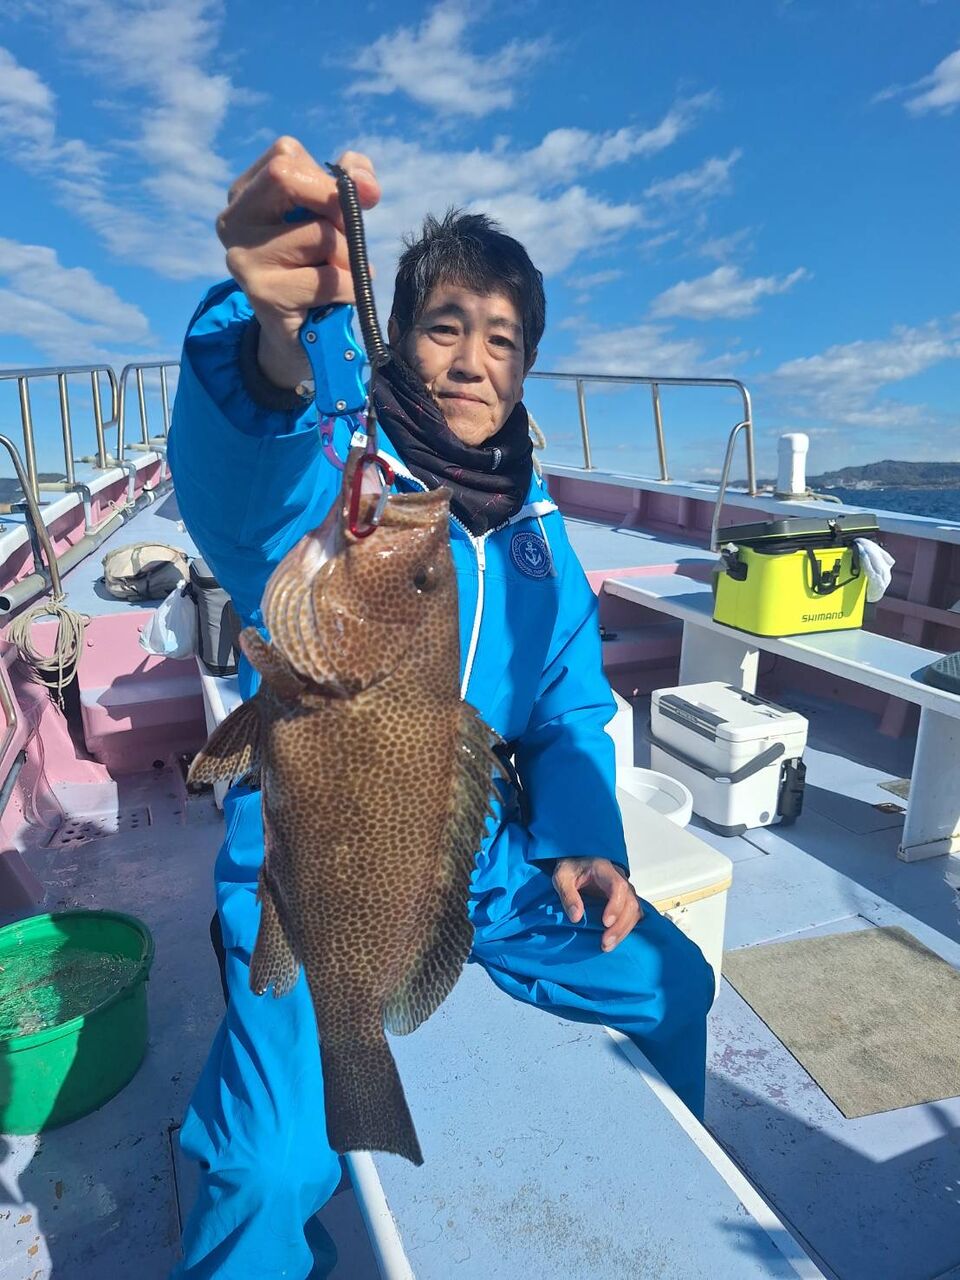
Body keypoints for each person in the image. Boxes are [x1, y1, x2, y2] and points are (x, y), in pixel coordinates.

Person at [168, 137, 715, 1280]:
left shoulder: (536, 530)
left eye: (502, 339)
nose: (473, 360)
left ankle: (673, 1204)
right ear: (400, 343)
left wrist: (583, 842)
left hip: (479, 853)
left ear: (526, 369)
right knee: (265, 1165)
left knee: (671, 984)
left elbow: (566, 704)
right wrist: (275, 346)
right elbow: (247, 491)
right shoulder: (343, 473)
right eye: (445, 326)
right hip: (312, 856)